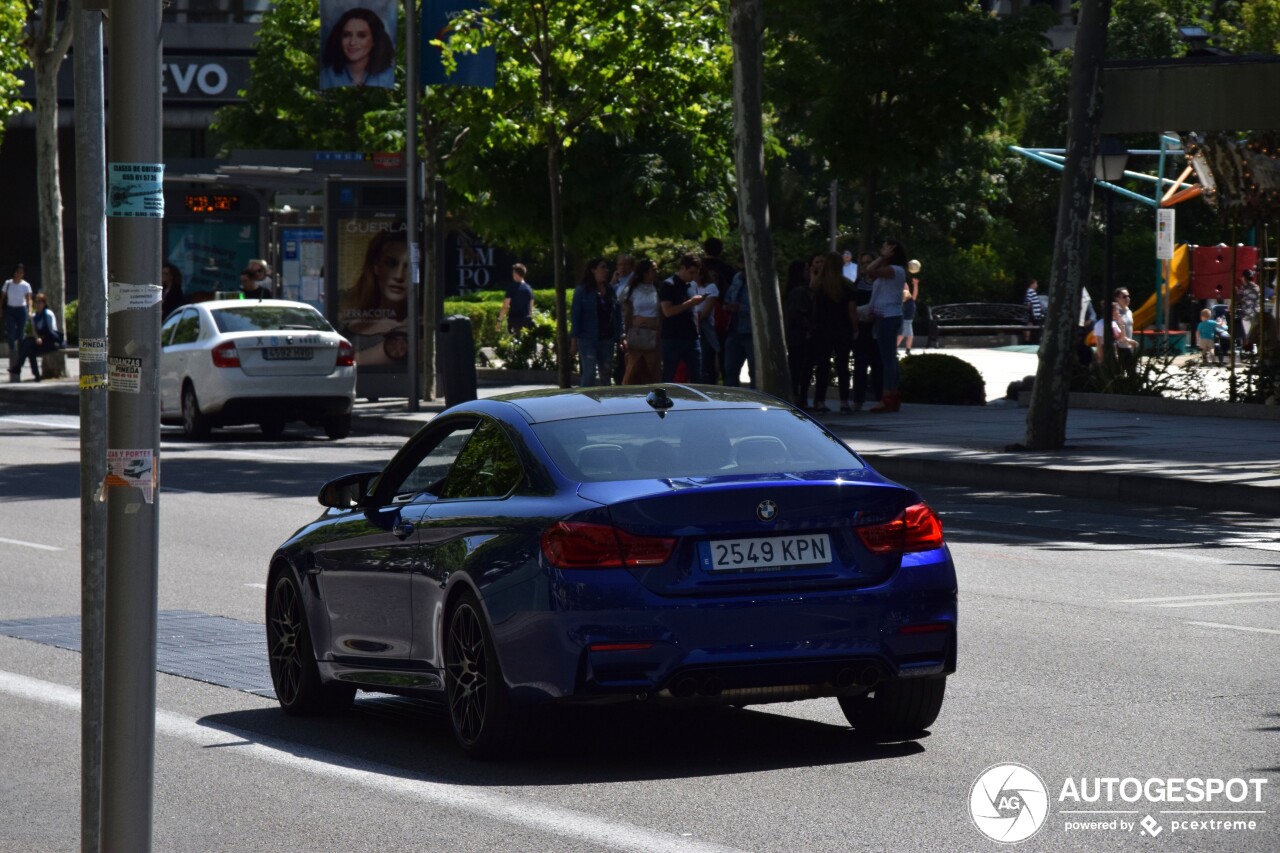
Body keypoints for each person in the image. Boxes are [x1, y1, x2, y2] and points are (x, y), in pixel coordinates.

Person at [338, 227, 409, 367]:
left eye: (410, 267)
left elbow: (347, 361)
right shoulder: (348, 307)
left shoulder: (418, 328)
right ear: (376, 266)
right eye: (391, 264)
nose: (399, 276)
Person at [863, 239, 909, 413]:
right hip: (887, 316)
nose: (882, 250)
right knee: (890, 357)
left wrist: (882, 257)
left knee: (887, 358)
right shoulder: (896, 271)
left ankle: (887, 396)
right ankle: (893, 394)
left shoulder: (894, 270)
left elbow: (869, 270)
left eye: (884, 247)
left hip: (888, 317)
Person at [808, 251, 857, 414]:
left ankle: (820, 401)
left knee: (823, 365)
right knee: (843, 365)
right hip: (842, 328)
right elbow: (851, 310)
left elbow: (812, 299)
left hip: (822, 329)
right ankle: (844, 402)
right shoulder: (847, 285)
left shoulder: (818, 285)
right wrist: (855, 328)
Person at [570, 258, 621, 387]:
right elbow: (576, 316)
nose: (606, 270)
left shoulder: (609, 290)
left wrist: (619, 335)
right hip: (588, 338)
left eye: (606, 268)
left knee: (606, 373)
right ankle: (585, 401)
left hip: (607, 339)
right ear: (593, 270)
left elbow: (616, 313)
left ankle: (605, 401)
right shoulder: (582, 291)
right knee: (589, 372)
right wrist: (574, 342)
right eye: (602, 267)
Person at [320, 8, 396, 89]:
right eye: (346, 35)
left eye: (361, 35)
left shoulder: (389, 76)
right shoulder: (327, 76)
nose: (352, 42)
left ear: (374, 40)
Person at [658, 254, 704, 382]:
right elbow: (667, 311)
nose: (693, 276)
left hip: (692, 336)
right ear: (682, 268)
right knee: (669, 375)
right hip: (673, 338)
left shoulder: (692, 285)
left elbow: (693, 312)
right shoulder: (669, 284)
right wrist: (690, 303)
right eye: (691, 272)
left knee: (697, 376)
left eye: (696, 273)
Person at [620, 259, 661, 384]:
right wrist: (625, 333)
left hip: (653, 333)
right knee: (633, 367)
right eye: (653, 270)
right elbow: (627, 311)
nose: (656, 272)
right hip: (637, 332)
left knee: (652, 368)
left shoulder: (658, 288)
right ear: (645, 272)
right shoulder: (634, 289)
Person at [851, 251, 882, 412]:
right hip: (862, 327)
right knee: (860, 365)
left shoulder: (881, 282)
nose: (866, 266)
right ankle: (858, 400)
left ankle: (880, 398)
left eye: (869, 262)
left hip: (877, 328)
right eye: (863, 263)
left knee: (878, 364)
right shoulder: (859, 282)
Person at [783, 259, 814, 408]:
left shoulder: (791, 290)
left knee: (795, 366)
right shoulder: (801, 291)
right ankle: (799, 396)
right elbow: (799, 313)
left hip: (793, 335)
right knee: (801, 367)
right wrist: (808, 328)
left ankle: (796, 395)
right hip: (800, 335)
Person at [721, 266, 754, 388]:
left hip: (751, 332)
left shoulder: (757, 280)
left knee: (754, 370)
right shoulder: (737, 278)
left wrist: (741, 307)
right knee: (730, 369)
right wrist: (728, 305)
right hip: (734, 330)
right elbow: (729, 296)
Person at [18, 292, 63, 382]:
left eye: (40, 302)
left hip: (52, 341)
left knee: (28, 345)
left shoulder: (48, 314)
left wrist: (40, 338)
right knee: (29, 348)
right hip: (42, 342)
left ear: (44, 303)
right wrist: (37, 337)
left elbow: (52, 332)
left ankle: (18, 367)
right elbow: (35, 331)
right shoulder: (35, 316)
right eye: (36, 302)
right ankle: (36, 376)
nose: (38, 304)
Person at [690, 262, 721, 383]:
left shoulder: (711, 287)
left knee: (706, 362)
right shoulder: (690, 286)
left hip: (704, 328)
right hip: (691, 327)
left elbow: (706, 312)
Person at [4, 263, 33, 381]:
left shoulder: (26, 285)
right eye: (18, 272)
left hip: (21, 309)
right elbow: (2, 298)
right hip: (11, 309)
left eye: (22, 272)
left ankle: (20, 353)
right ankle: (12, 350)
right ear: (14, 273)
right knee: (11, 332)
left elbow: (29, 299)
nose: (19, 274)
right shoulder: (8, 283)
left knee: (20, 334)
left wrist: (30, 310)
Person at [498, 263, 535, 335]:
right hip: (526, 321)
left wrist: (499, 320)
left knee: (513, 342)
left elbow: (505, 306)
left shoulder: (512, 288)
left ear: (516, 274)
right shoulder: (529, 288)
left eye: (513, 272)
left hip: (514, 321)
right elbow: (531, 308)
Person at [1236, 269, 1261, 355]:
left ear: (1244, 278)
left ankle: (1251, 352)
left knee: (1248, 335)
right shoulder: (1257, 287)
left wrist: (1236, 291)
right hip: (1257, 314)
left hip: (1247, 315)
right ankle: (1258, 351)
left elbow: (1239, 299)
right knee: (1257, 334)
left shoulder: (1244, 288)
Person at [1114, 288, 1136, 377]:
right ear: (1117, 299)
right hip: (1119, 348)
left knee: (1132, 374)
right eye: (1124, 296)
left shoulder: (1129, 311)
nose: (1127, 298)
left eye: (1128, 296)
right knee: (1120, 374)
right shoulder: (1115, 313)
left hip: (1129, 347)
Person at [898, 264, 920, 355]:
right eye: (905, 287)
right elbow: (910, 294)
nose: (907, 287)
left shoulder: (910, 300)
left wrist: (915, 284)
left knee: (907, 336)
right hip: (905, 320)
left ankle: (907, 350)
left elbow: (914, 294)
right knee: (902, 336)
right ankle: (896, 349)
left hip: (908, 321)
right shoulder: (905, 300)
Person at [1024, 278, 1045, 342]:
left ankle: (1031, 339)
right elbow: (1028, 302)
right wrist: (1029, 311)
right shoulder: (1030, 291)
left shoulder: (1032, 291)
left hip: (1036, 313)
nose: (1037, 285)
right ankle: (1033, 340)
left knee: (1033, 325)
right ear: (1032, 284)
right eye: (1036, 283)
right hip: (1034, 313)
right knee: (1035, 326)